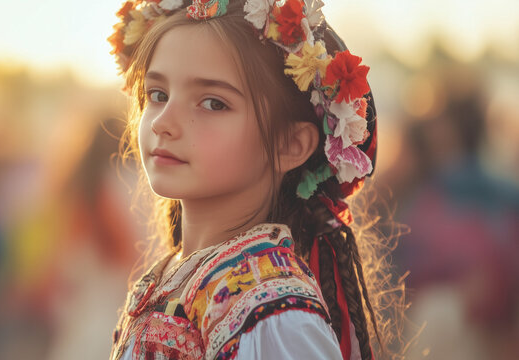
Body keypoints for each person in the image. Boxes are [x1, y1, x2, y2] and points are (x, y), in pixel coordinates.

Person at [108, 0, 382, 359]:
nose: (162, 122)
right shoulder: (175, 272)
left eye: (213, 103)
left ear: (290, 144)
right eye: (158, 95)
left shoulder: (274, 314)